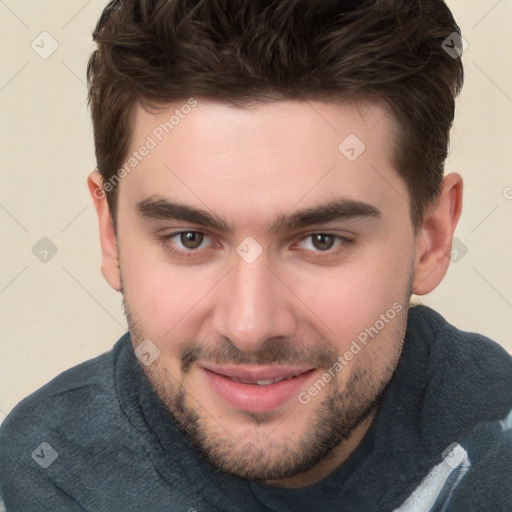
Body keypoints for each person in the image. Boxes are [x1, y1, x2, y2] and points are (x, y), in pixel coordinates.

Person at [1, 0, 511, 510]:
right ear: (111, 235)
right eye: (190, 238)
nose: (250, 326)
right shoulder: (45, 476)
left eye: (321, 241)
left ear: (433, 237)